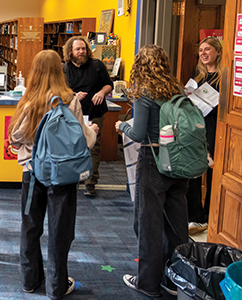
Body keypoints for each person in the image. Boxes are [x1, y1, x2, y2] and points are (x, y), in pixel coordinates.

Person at [8, 50, 98, 300]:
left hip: (32, 173)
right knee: (60, 229)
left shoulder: (29, 99)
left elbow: (16, 136)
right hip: (63, 175)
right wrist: (92, 131)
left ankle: (30, 279)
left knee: (30, 226)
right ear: (60, 69)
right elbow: (83, 142)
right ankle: (56, 286)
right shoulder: (70, 100)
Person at [115, 45, 188, 298]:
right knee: (177, 224)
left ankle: (147, 282)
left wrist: (121, 125)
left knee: (148, 223)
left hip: (154, 160)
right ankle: (176, 277)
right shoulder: (177, 90)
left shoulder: (144, 93)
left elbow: (137, 133)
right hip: (179, 161)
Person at [62, 36, 113, 197]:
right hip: (72, 113)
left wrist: (101, 92)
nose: (81, 52)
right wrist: (73, 95)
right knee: (72, 146)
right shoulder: (65, 69)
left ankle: (91, 182)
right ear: (70, 51)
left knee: (94, 146)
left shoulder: (97, 65)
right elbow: (60, 90)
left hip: (94, 111)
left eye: (83, 49)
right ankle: (74, 177)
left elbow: (108, 84)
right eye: (77, 49)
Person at [186, 37, 222, 235]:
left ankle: (211, 215)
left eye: (207, 49)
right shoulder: (198, 76)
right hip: (196, 126)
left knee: (213, 171)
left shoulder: (223, 77)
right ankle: (195, 216)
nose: (203, 53)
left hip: (214, 127)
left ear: (217, 51)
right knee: (194, 170)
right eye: (201, 50)